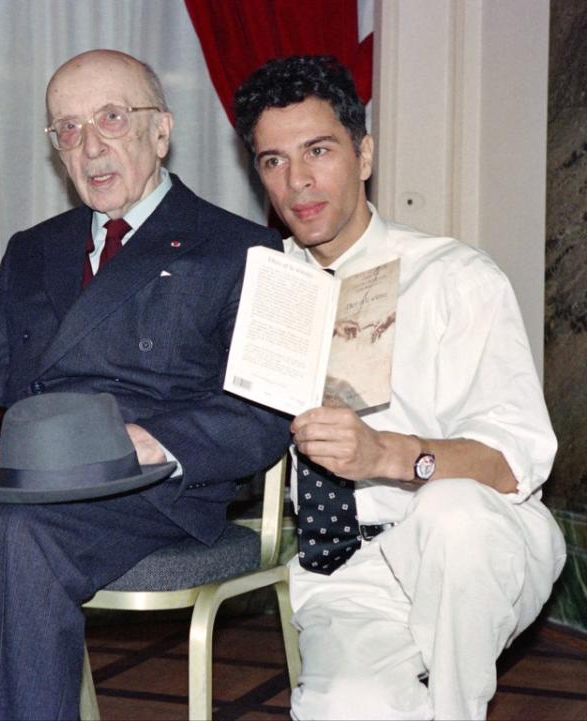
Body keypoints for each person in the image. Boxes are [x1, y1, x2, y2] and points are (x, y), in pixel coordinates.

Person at [0, 48, 290, 720]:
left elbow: (262, 415)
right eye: (67, 129)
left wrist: (155, 440)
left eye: (110, 118)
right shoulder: (35, 247)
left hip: (149, 486)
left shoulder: (238, 247)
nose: (89, 145)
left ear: (160, 131)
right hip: (21, 473)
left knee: (19, 538)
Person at [233, 55, 566, 720]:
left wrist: (387, 454)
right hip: (349, 566)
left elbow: (512, 462)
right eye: (273, 160)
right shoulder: (264, 295)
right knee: (346, 706)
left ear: (364, 154)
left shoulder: (454, 278)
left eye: (318, 150)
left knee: (451, 513)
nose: (297, 180)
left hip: (481, 541)